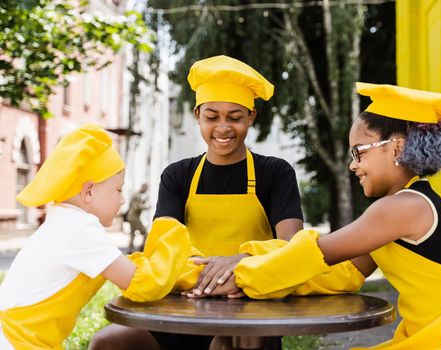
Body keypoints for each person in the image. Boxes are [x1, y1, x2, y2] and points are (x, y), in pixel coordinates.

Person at [234, 83, 441, 349]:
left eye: (358, 153)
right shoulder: (402, 206)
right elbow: (344, 272)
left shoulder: (401, 208)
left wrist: (240, 276)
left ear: (396, 146)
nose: (352, 165)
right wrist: (253, 262)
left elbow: (319, 253)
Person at [89, 55, 306, 350]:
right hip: (185, 305)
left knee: (226, 344)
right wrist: (201, 277)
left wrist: (244, 260)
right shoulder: (178, 175)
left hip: (251, 305)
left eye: (235, 116)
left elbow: (293, 247)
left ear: (251, 117)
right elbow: (162, 247)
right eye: (212, 116)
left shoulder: (275, 173)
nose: (223, 128)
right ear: (197, 115)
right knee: (106, 343)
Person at [0, 124, 192, 350]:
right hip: (17, 342)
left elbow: (126, 268)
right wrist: (172, 230)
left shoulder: (66, 222)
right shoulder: (78, 230)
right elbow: (144, 284)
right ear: (88, 191)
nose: (122, 201)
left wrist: (183, 269)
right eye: (118, 190)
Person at [126, 183, 149, 251]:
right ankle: (142, 248)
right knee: (145, 233)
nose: (146, 191)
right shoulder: (137, 195)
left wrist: (143, 202)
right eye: (146, 189)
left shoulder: (136, 194)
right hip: (134, 217)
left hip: (131, 216)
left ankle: (130, 249)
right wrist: (146, 207)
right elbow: (137, 207)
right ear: (143, 187)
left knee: (132, 234)